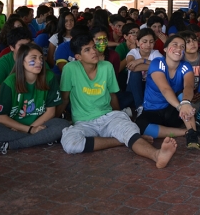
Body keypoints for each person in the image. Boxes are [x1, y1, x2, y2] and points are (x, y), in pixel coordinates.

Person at [58, 33, 177, 168]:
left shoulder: (106, 66)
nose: (94, 51)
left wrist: (119, 116)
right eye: (87, 50)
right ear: (78, 57)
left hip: (108, 117)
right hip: (83, 122)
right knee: (70, 143)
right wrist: (54, 119)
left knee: (130, 129)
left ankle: (157, 155)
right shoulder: (70, 69)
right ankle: (120, 141)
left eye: (93, 47)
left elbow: (113, 96)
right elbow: (65, 99)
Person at [0, 43, 69, 154]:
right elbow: (1, 118)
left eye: (40, 58)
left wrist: (31, 128)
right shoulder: (9, 82)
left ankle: (9, 145)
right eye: (33, 58)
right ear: (21, 61)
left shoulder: (49, 77)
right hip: (13, 126)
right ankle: (39, 139)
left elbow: (50, 113)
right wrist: (29, 130)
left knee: (62, 125)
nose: (39, 62)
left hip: (39, 124)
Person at [137, 35, 200, 150]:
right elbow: (165, 89)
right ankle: (188, 130)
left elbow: (189, 86)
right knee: (141, 125)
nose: (179, 49)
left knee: (182, 96)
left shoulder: (185, 66)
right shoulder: (157, 63)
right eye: (174, 45)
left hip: (174, 113)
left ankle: (192, 135)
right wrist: (181, 106)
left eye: (182, 47)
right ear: (165, 49)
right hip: (154, 110)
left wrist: (185, 103)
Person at [126, 29, 164, 116]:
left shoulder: (156, 53)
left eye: (151, 42)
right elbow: (132, 68)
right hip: (133, 87)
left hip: (149, 87)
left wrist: (142, 60)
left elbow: (162, 67)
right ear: (138, 42)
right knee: (135, 74)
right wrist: (153, 66)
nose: (148, 45)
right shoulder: (133, 52)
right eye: (145, 41)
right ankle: (140, 107)